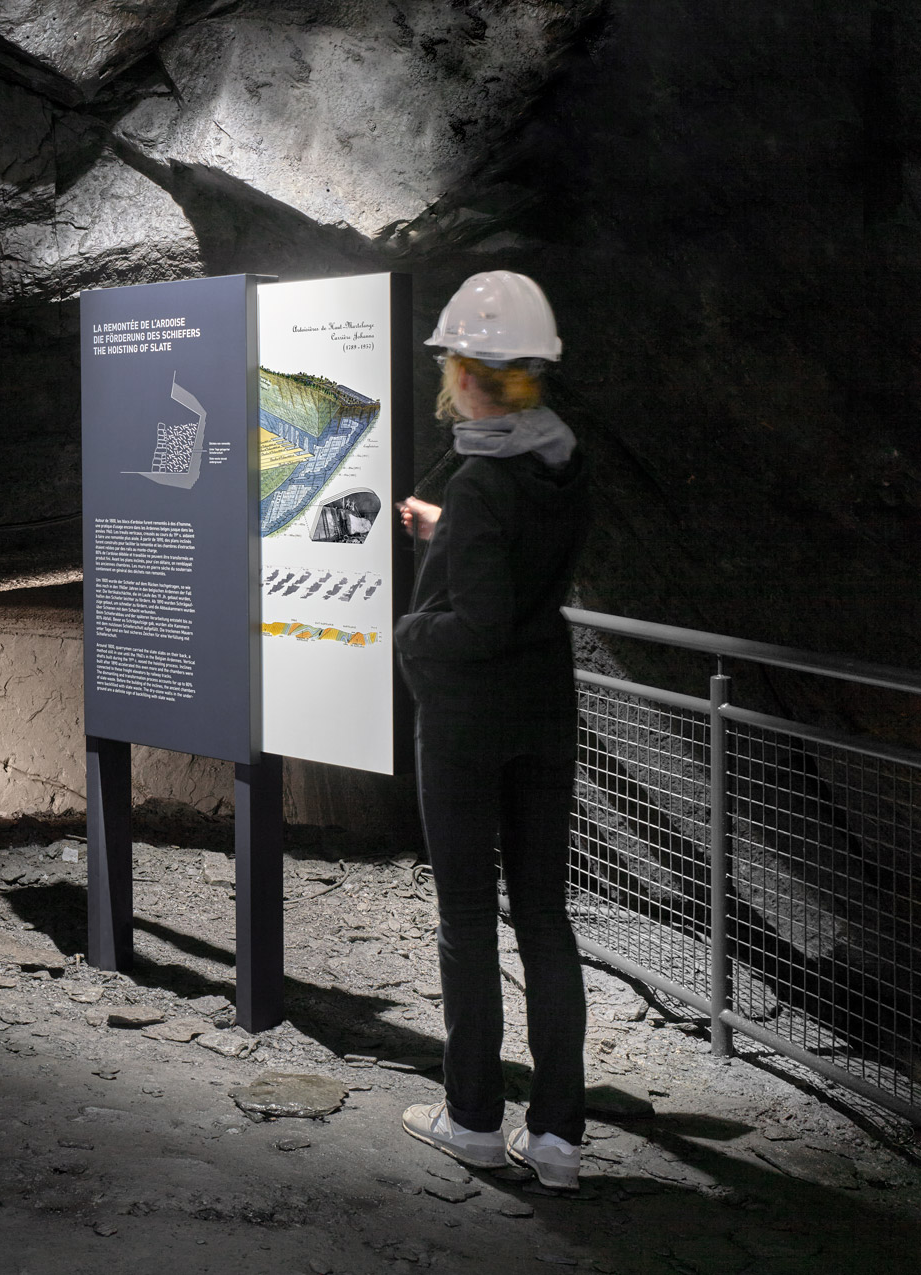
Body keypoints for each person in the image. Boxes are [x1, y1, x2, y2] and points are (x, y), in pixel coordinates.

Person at [394, 270, 593, 1191]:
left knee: (467, 918)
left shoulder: (480, 483)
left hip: (470, 725)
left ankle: (472, 1117)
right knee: (546, 922)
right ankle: (557, 1136)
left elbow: (474, 623)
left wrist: (407, 631)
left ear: (469, 374)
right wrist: (450, 534)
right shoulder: (560, 464)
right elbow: (513, 580)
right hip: (544, 714)